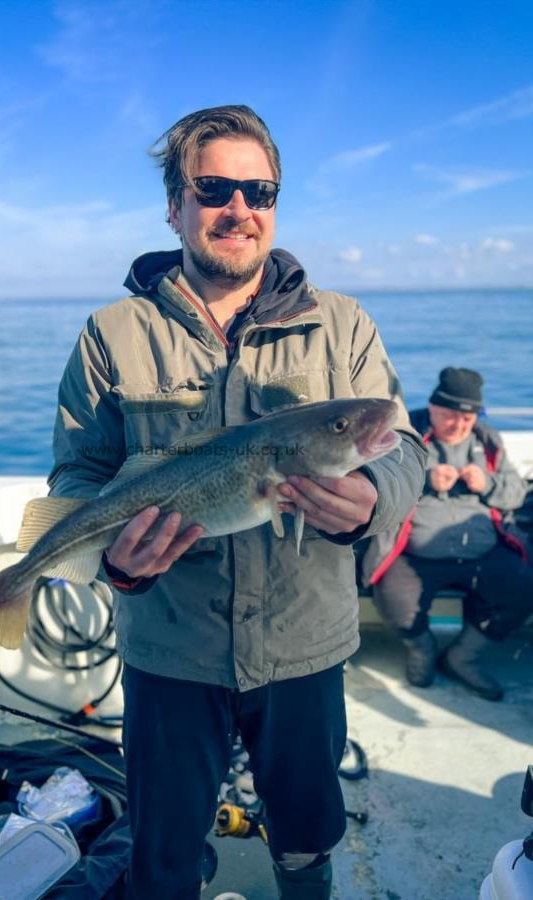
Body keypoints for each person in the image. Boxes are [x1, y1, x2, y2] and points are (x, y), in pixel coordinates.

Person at [48, 105, 426, 900]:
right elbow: (79, 476)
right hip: (169, 651)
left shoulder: (343, 324)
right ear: (174, 205)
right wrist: (117, 564)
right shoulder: (112, 335)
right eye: (213, 187)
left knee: (305, 830)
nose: (239, 209)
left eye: (259, 189)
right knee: (164, 850)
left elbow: (404, 449)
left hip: (303, 646)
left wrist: (367, 503)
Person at [363, 367, 532, 701]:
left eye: (467, 419)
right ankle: (422, 650)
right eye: (451, 417)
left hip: (484, 549)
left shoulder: (488, 440)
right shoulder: (404, 433)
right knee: (394, 600)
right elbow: (374, 482)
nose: (459, 426)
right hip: (414, 552)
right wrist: (423, 479)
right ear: (433, 407)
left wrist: (488, 484)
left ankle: (462, 657)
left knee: (521, 588)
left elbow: (514, 494)